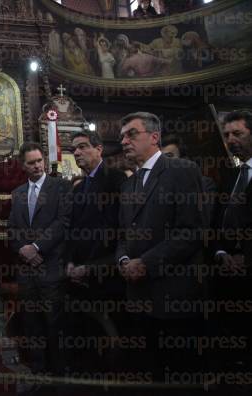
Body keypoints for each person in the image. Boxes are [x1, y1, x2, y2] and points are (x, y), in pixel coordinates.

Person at [116, 112, 207, 383]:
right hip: (137, 297)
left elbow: (192, 232)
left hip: (172, 297)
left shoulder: (182, 171)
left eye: (131, 134)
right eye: (122, 136)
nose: (123, 141)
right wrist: (122, 260)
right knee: (149, 374)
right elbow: (123, 234)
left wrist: (146, 263)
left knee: (178, 377)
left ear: (154, 137)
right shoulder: (128, 183)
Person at [64, 131, 127, 378]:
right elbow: (72, 231)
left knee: (114, 338)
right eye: (74, 149)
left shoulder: (115, 179)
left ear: (99, 149)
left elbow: (116, 229)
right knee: (88, 334)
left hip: (107, 273)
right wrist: (70, 263)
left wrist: (90, 267)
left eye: (82, 147)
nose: (77, 153)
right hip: (80, 278)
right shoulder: (78, 190)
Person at [8, 142, 71, 376]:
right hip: (26, 270)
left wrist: (36, 247)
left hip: (51, 267)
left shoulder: (61, 187)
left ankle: (59, 372)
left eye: (39, 161)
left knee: (54, 322)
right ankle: (37, 369)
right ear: (23, 165)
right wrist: (23, 250)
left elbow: (62, 223)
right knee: (31, 322)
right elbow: (12, 229)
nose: (36, 166)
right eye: (31, 162)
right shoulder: (17, 193)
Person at [214, 110, 252, 369]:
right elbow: (218, 223)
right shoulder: (232, 176)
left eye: (237, 133)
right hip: (229, 276)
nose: (230, 140)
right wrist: (221, 253)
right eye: (227, 135)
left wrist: (246, 258)